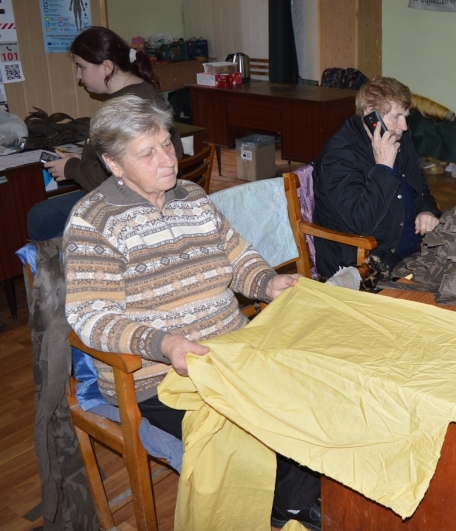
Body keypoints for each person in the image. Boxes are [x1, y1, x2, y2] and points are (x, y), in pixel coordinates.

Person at [62, 95, 320, 531]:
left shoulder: (193, 197)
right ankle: (284, 509)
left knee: (310, 390)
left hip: (230, 350)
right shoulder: (93, 222)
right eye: (148, 153)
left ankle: (294, 506)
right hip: (156, 377)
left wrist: (268, 282)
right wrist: (164, 345)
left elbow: (239, 259)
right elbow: (92, 318)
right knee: (247, 425)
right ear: (113, 164)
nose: (168, 160)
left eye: (167, 144)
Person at [27, 26, 183, 241]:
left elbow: (113, 179)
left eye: (81, 67)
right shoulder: (142, 90)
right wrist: (81, 160)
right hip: (140, 194)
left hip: (130, 202)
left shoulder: (125, 107)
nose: (78, 75)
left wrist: (72, 168)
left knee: (40, 218)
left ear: (107, 67)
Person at [312, 76, 441, 277]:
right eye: (397, 116)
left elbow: (419, 185)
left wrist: (427, 210)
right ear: (371, 116)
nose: (405, 126)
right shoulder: (339, 156)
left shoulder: (397, 136)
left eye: (406, 116)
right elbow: (362, 223)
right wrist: (383, 167)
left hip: (410, 256)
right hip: (362, 266)